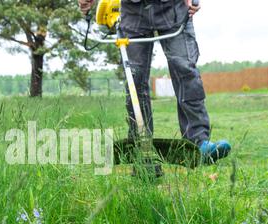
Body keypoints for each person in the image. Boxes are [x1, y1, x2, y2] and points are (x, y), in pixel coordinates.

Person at [78, 0, 231, 164]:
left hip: (174, 8)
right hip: (133, 11)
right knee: (134, 78)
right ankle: (140, 144)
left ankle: (198, 143)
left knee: (185, 70)